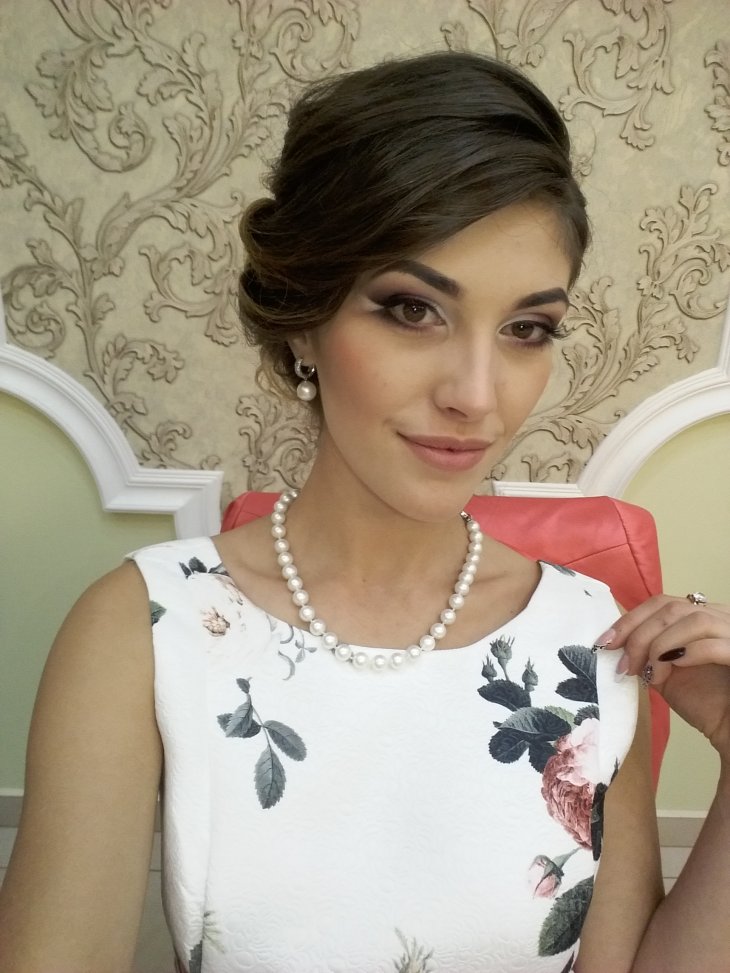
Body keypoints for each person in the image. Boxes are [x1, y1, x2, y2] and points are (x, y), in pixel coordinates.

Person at [0, 49, 729, 973]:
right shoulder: (146, 627)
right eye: (414, 310)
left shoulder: (590, 639)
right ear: (304, 315)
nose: (477, 394)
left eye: (527, 329)